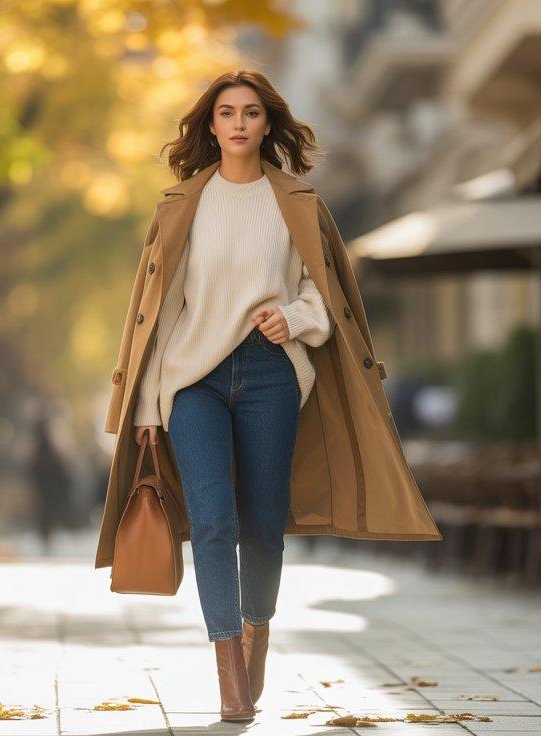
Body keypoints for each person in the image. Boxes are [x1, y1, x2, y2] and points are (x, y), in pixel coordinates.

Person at [95, 69, 441, 722]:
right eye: (226, 112)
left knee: (262, 524)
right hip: (192, 380)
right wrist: (145, 406)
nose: (238, 123)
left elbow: (323, 292)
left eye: (250, 112)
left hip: (270, 374)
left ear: (267, 124)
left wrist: (294, 318)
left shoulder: (298, 202)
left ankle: (257, 635)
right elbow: (158, 314)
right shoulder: (182, 205)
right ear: (210, 125)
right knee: (213, 522)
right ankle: (229, 671)